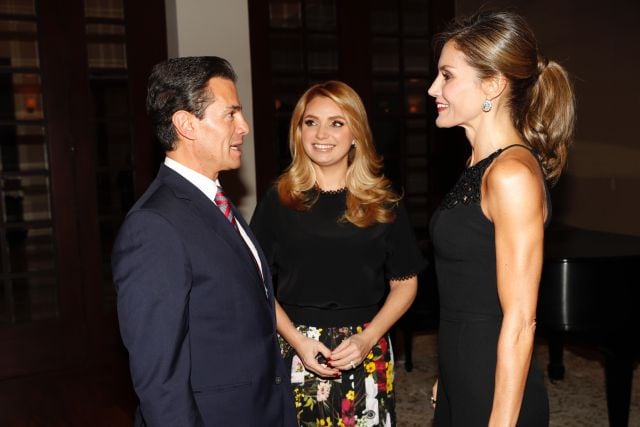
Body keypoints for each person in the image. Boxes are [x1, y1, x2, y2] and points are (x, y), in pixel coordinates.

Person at [112, 56, 297, 426]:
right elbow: (159, 378)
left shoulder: (214, 200)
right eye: (230, 114)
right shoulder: (153, 227)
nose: (243, 126)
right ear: (186, 124)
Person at [426, 10, 575, 426]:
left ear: (491, 84)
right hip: (465, 374)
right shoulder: (478, 165)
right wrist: (448, 375)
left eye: (447, 75)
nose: (433, 87)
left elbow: (521, 320)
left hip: (493, 389)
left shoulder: (511, 175)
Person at [250, 80, 427, 426]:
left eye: (336, 122)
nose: (321, 133)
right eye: (310, 122)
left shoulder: (384, 200)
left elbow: (405, 283)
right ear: (298, 131)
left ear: (356, 133)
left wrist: (368, 338)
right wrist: (298, 341)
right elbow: (255, 283)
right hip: (296, 348)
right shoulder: (278, 199)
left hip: (366, 347)